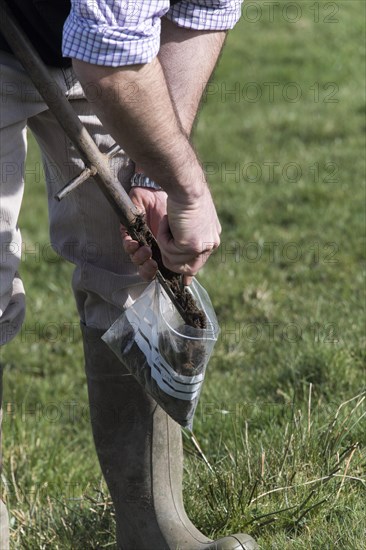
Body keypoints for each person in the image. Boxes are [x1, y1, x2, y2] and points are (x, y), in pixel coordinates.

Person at [0, 1, 258, 548]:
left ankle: (152, 529)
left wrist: (157, 173)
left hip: (95, 48)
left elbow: (202, 12)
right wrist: (190, 189)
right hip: (80, 43)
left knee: (137, 257)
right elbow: (110, 50)